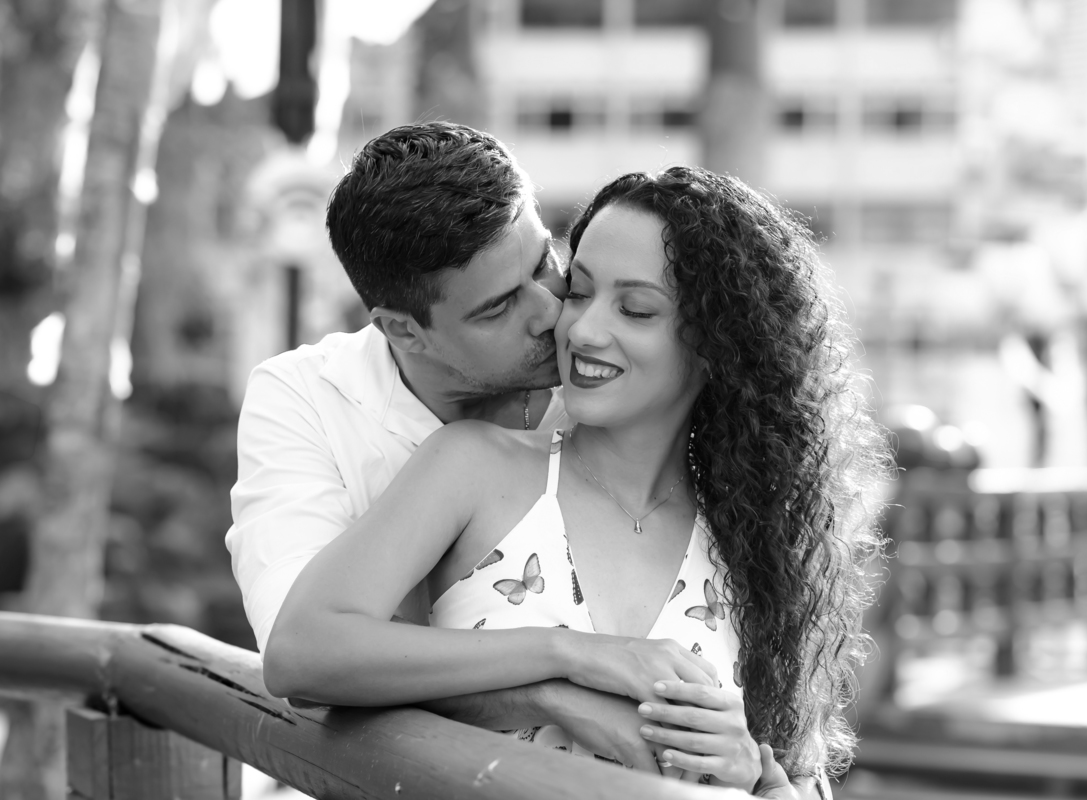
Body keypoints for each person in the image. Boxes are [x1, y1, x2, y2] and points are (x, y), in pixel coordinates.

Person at [263, 167, 889, 798]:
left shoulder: (751, 539)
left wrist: (754, 779)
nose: (581, 329)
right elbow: (301, 652)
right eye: (581, 292)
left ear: (717, 342)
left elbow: (796, 775)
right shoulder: (474, 465)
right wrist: (571, 661)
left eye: (636, 308)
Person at [227, 122, 668, 770]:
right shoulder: (305, 401)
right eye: (497, 308)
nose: (550, 310)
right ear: (403, 330)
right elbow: (312, 666)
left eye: (544, 260)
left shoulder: (609, 378)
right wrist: (559, 670)